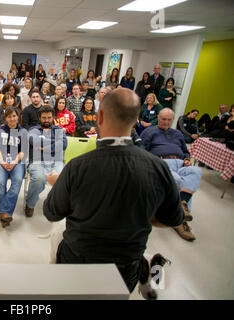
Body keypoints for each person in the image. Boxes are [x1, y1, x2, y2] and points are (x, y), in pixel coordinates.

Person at [44, 88, 185, 293]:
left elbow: (51, 212)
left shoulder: (77, 167)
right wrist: (145, 216)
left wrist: (60, 184)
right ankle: (146, 266)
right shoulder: (158, 167)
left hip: (77, 262)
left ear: (99, 116)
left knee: (57, 237)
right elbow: (173, 218)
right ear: (136, 119)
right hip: (125, 268)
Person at [140, 108, 202, 241]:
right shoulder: (149, 132)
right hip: (162, 162)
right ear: (158, 118)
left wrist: (186, 159)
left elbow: (185, 151)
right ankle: (179, 220)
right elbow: (142, 151)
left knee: (196, 171)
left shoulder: (177, 134)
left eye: (169, 120)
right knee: (177, 179)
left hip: (180, 163)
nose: (166, 122)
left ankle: (181, 205)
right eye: (163, 119)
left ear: (172, 120)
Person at [25, 105, 67, 217]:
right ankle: (30, 204)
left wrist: (44, 147)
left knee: (61, 179)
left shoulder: (59, 130)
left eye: (49, 117)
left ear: (53, 117)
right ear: (39, 118)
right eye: (44, 118)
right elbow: (33, 140)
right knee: (39, 179)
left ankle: (54, 205)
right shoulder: (33, 130)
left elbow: (63, 144)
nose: (47, 120)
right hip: (37, 161)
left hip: (56, 161)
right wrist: (53, 143)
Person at [0, 107, 28, 228]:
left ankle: (3, 212)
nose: (12, 119)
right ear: (5, 118)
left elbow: (23, 151)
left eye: (14, 116)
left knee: (17, 181)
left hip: (17, 160)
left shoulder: (23, 132)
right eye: (9, 116)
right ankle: (5, 214)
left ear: (18, 116)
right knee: (1, 182)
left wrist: (13, 162)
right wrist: (2, 162)